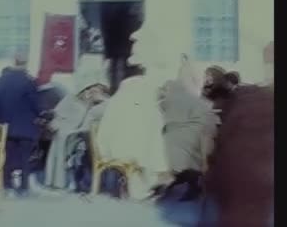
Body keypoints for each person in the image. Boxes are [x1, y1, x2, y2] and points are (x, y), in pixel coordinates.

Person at [96, 28, 174, 201]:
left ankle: (142, 187)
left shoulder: (129, 94)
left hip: (122, 142)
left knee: (150, 144)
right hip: (126, 145)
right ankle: (143, 188)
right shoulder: (138, 92)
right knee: (151, 147)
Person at [201, 70, 274, 227]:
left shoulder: (234, 113)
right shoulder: (266, 115)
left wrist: (210, 178)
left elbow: (218, 155)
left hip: (234, 186)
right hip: (261, 185)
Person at [158, 55, 219, 201]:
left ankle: (179, 182)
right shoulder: (188, 90)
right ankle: (190, 183)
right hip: (195, 139)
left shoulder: (171, 95)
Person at [43, 63, 109, 190]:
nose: (92, 92)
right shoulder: (72, 98)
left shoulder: (101, 103)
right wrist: (57, 123)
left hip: (82, 135)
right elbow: (59, 113)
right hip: (65, 132)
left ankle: (69, 182)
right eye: (90, 89)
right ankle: (57, 182)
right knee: (58, 151)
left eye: (96, 89)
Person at [0, 54, 41, 197]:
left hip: (5, 126)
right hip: (25, 126)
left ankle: (7, 185)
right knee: (25, 157)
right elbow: (35, 105)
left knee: (6, 156)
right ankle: (23, 187)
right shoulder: (28, 81)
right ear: (25, 63)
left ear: (14, 62)